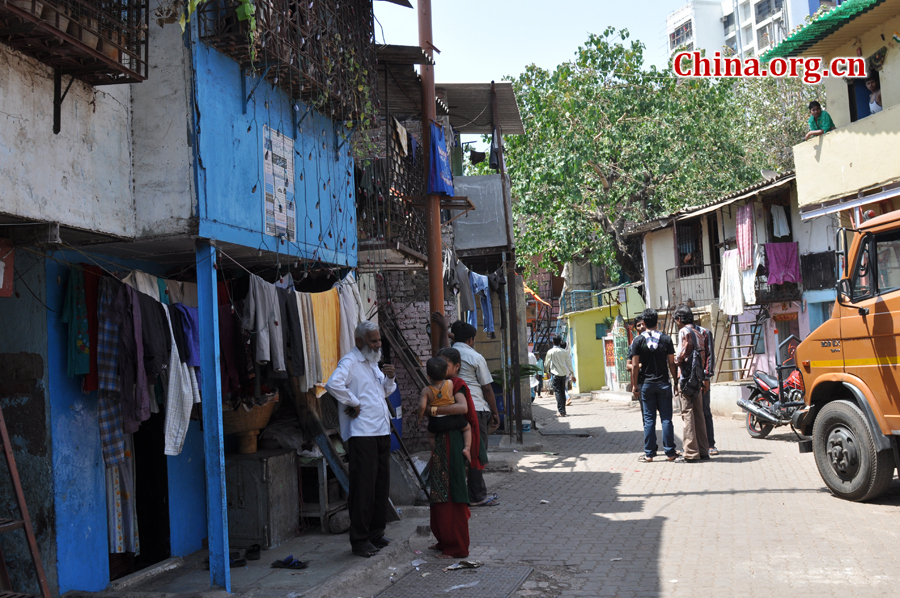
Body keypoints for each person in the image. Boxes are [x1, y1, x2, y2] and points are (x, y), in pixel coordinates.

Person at [324, 321, 397, 557]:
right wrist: (353, 402)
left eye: (379, 341)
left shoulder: (372, 362)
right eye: (374, 341)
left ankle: (375, 533)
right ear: (359, 342)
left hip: (380, 431)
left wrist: (389, 380)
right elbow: (333, 384)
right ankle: (360, 539)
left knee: (380, 485)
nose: (378, 345)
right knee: (363, 488)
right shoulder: (351, 362)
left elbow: (381, 392)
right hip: (362, 434)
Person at [426, 347, 483, 558]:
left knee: (452, 492)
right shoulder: (437, 385)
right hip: (440, 443)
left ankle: (457, 546)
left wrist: (433, 411)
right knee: (439, 492)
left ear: (456, 367)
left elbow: (463, 409)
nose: (441, 368)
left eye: (445, 365)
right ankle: (443, 540)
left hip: (453, 442)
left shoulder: (457, 385)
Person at [449, 320, 501, 507]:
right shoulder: (475, 357)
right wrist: (495, 412)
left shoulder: (446, 355)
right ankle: (477, 495)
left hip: (450, 409)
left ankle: (457, 493)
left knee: (455, 451)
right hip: (475, 409)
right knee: (476, 452)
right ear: (471, 340)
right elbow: (487, 388)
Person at [630, 309, 679, 462]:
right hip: (664, 383)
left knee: (649, 420)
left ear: (643, 323)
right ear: (657, 321)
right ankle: (670, 453)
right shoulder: (666, 339)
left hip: (646, 385)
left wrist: (634, 385)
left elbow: (635, 365)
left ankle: (649, 454)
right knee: (666, 419)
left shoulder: (638, 341)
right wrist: (676, 382)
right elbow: (672, 363)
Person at [673, 305, 710, 463]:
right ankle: (703, 450)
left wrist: (677, 359)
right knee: (699, 414)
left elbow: (684, 352)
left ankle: (690, 452)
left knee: (687, 414)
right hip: (698, 379)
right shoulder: (700, 333)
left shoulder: (684, 332)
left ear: (679, 319)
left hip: (686, 378)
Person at [418, 357, 472, 462]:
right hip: (453, 419)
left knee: (430, 436)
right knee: (467, 428)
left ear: (428, 376)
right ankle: (467, 448)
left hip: (436, 421)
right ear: (446, 372)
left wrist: (419, 417)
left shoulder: (426, 390)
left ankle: (436, 454)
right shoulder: (450, 383)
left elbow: (422, 406)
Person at [696, 322, 719, 456]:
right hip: (688, 380)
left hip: (701, 378)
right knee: (690, 414)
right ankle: (695, 445)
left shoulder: (705, 333)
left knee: (705, 410)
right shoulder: (683, 333)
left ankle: (710, 444)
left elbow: (710, 355)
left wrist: (706, 377)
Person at [545, 335, 574, 417]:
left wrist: (546, 372)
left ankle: (561, 411)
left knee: (558, 393)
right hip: (563, 375)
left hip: (555, 375)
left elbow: (546, 363)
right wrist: (573, 374)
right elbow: (569, 364)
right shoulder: (565, 352)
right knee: (562, 392)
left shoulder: (550, 352)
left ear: (553, 342)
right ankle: (563, 410)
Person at [626, 315, 646, 398]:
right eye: (639, 325)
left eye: (643, 324)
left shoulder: (657, 339)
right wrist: (641, 365)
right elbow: (628, 366)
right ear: (636, 328)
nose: (642, 327)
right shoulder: (634, 344)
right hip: (642, 381)